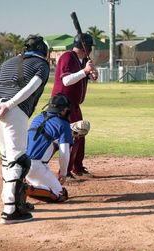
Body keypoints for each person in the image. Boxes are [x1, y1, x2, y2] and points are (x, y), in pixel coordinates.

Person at [0, 35, 50, 224]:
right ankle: (10, 211)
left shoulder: (10, 61)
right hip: (14, 110)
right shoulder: (42, 64)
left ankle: (14, 202)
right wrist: (10, 105)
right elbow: (32, 86)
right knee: (19, 160)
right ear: (43, 50)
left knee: (7, 158)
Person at [25, 94, 88, 203]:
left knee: (43, 177)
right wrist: (63, 174)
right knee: (60, 194)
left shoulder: (38, 117)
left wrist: (69, 133)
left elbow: (47, 135)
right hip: (35, 167)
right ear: (63, 110)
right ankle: (25, 188)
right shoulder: (63, 125)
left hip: (22, 163)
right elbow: (64, 153)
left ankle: (26, 185)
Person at [52, 33, 97, 179]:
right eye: (90, 47)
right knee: (71, 137)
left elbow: (84, 76)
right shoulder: (67, 57)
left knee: (81, 134)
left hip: (74, 105)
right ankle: (65, 172)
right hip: (63, 105)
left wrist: (91, 74)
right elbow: (66, 80)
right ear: (86, 47)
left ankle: (78, 167)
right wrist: (85, 71)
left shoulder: (82, 60)